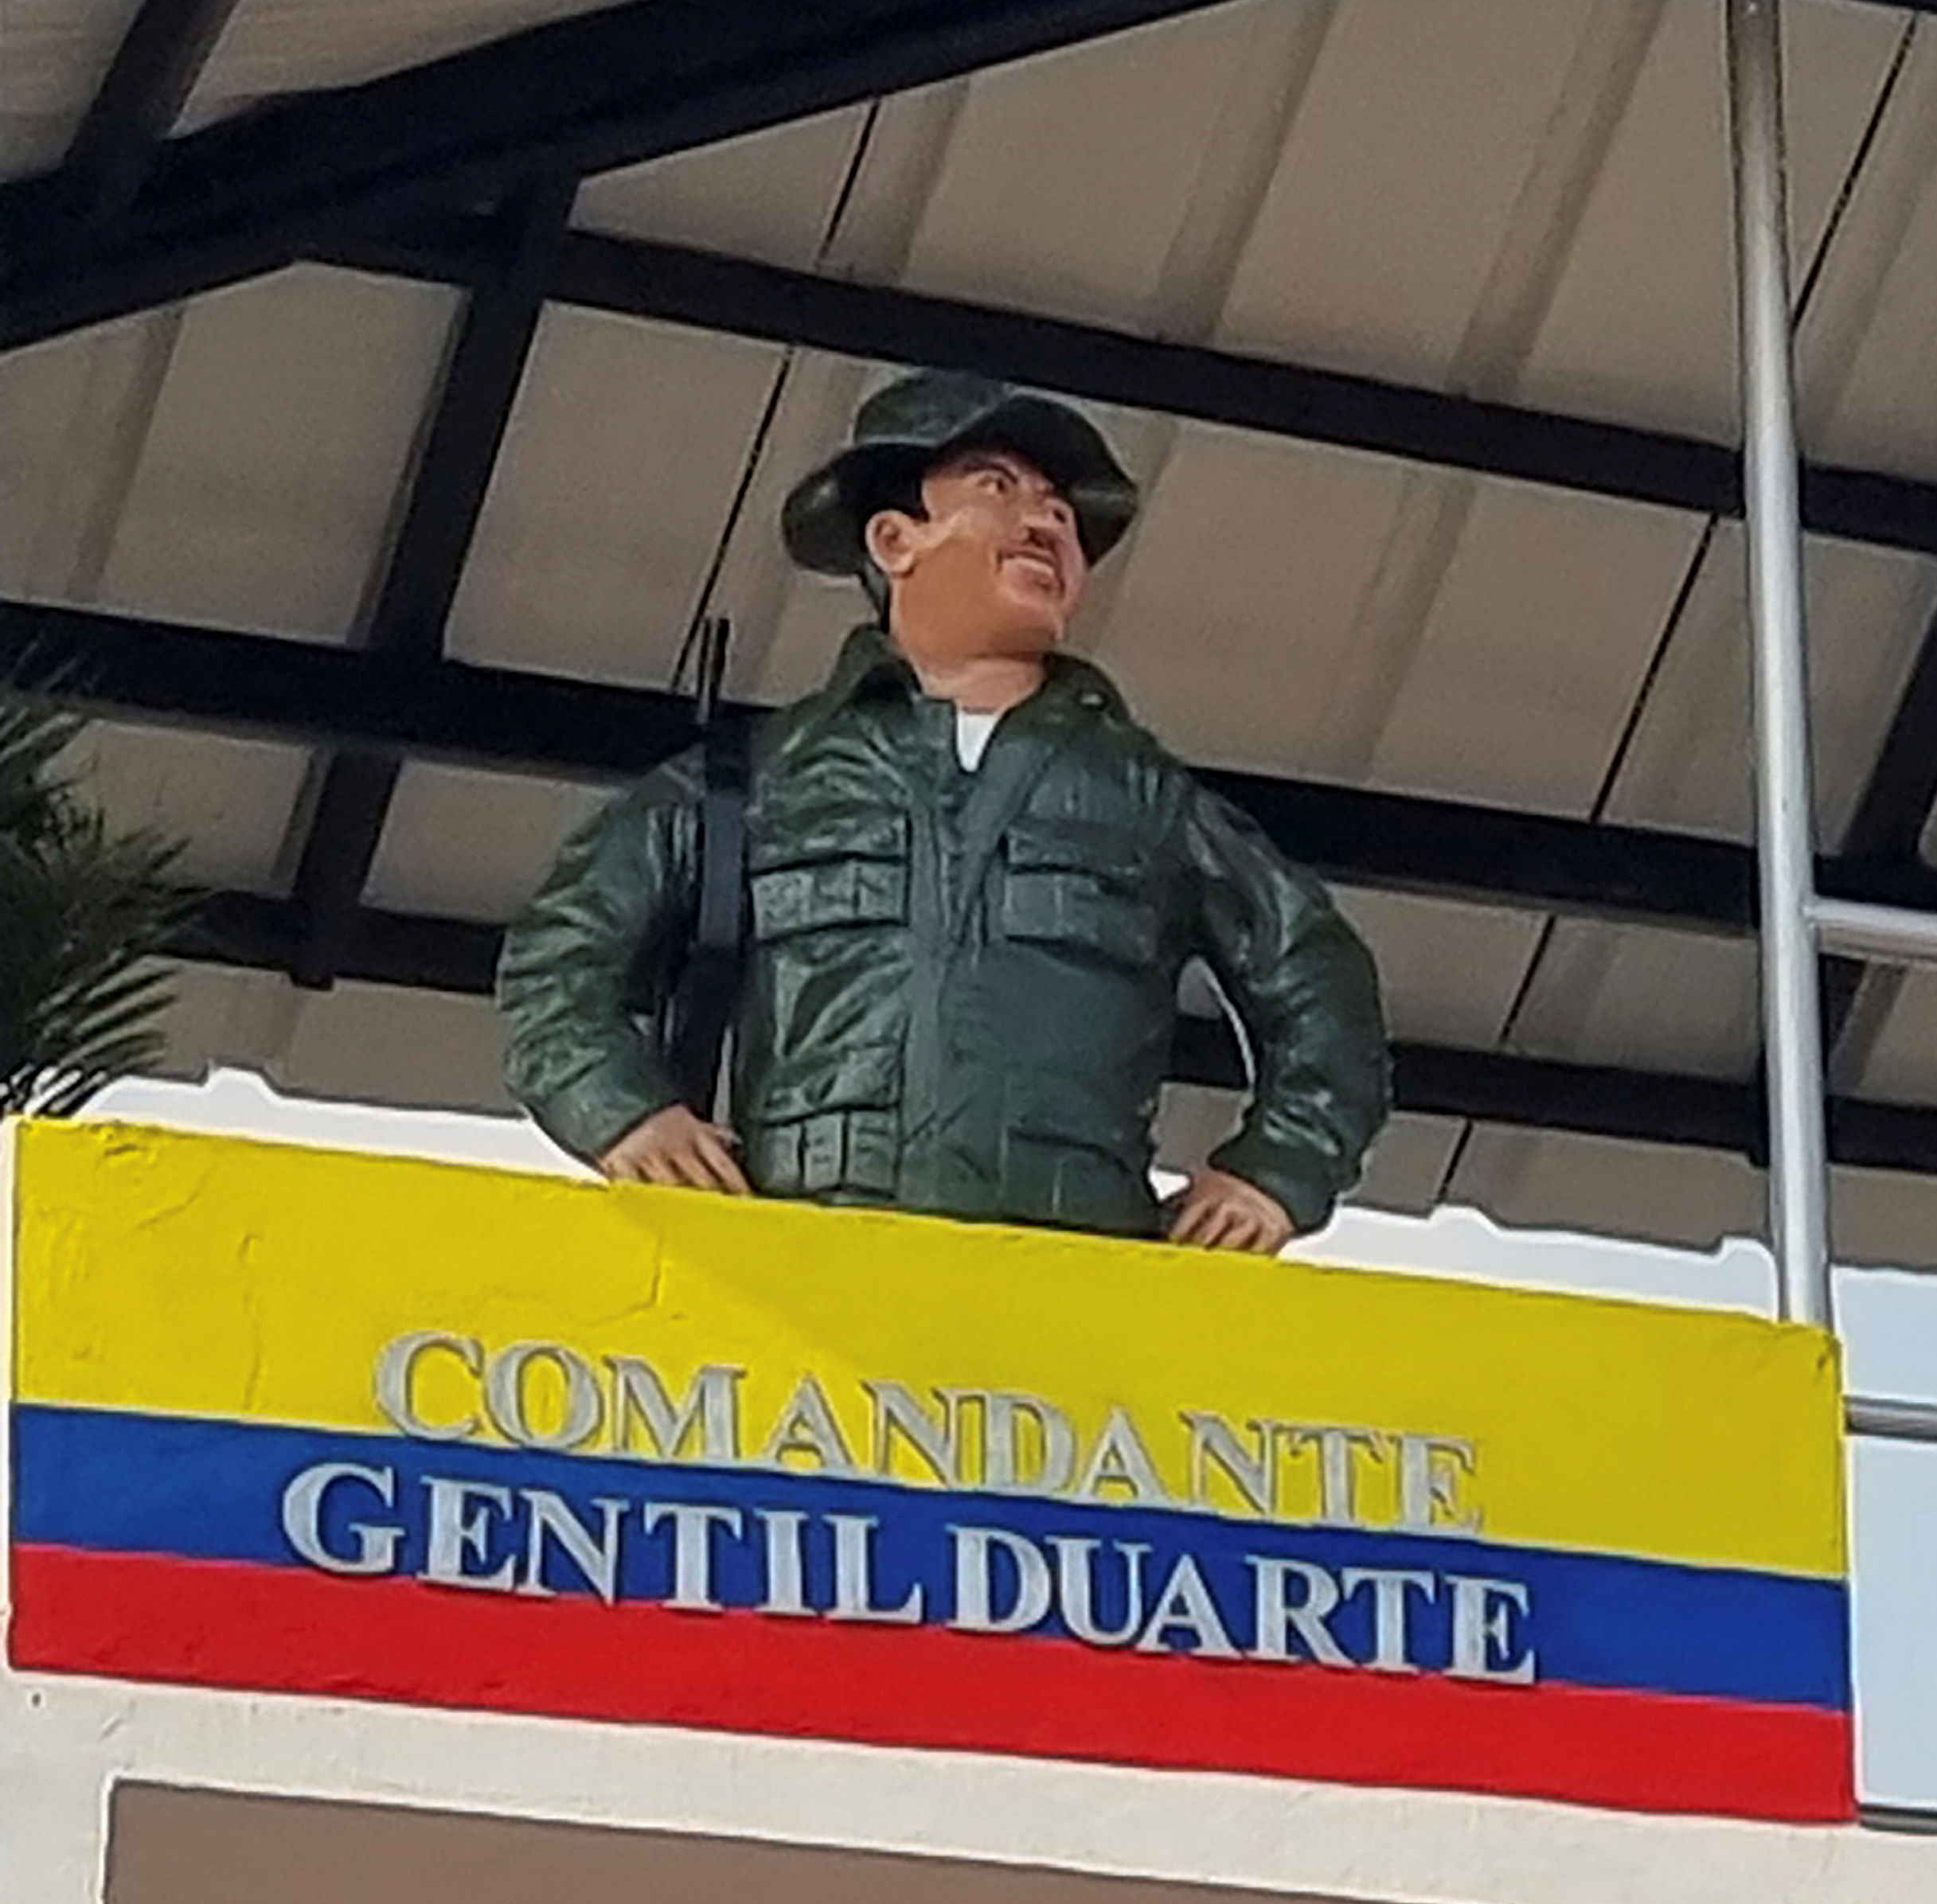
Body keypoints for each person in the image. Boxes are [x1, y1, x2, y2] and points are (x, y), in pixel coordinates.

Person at [498, 372, 1388, 1250]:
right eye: (997, 488)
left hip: (1077, 1280)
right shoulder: (761, 780)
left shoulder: (1144, 798)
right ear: (894, 539)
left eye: (1062, 512)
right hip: (808, 1266)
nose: (1046, 520)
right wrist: (627, 1114)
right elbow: (558, 959)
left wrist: (1278, 1168)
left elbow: (1315, 978)